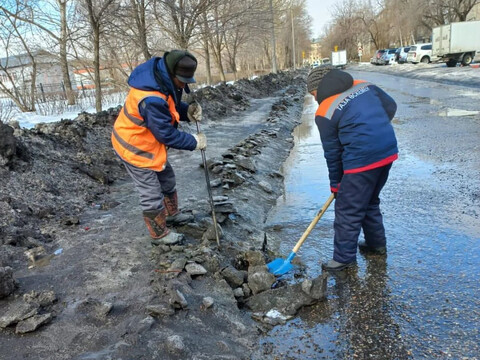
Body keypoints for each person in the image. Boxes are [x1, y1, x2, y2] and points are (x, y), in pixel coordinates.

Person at [306, 65, 398, 271]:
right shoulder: (365, 86)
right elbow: (390, 107)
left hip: (361, 161)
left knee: (348, 209)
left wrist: (336, 185)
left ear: (319, 88)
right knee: (370, 200)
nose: (314, 99)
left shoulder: (325, 111)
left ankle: (343, 259)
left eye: (313, 93)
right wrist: (376, 130)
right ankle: (376, 245)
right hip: (388, 151)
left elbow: (333, 153)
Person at [111, 50, 205, 244]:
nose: (184, 84)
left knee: (167, 178)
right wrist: (194, 142)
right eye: (182, 80)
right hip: (134, 146)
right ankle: (159, 234)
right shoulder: (150, 98)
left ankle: (172, 214)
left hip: (148, 144)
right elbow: (165, 134)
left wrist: (187, 111)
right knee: (151, 191)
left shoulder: (161, 81)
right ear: (171, 74)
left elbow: (170, 105)